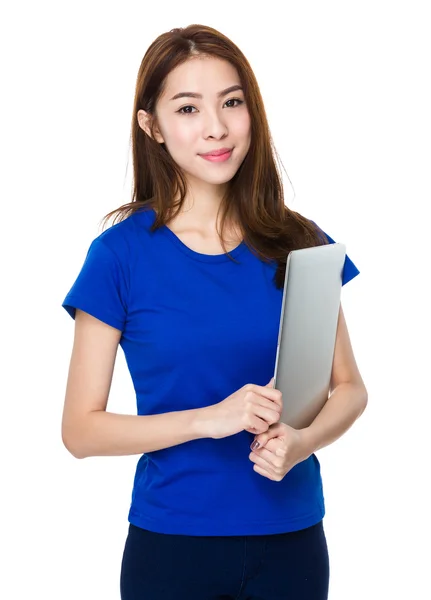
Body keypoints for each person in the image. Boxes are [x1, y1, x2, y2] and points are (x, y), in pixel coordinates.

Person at [61, 23, 368, 600]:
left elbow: (349, 388)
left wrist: (300, 443)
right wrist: (210, 418)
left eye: (232, 102)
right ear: (151, 125)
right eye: (187, 108)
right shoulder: (119, 256)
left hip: (293, 543)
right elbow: (79, 430)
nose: (217, 128)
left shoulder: (299, 242)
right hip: (172, 547)